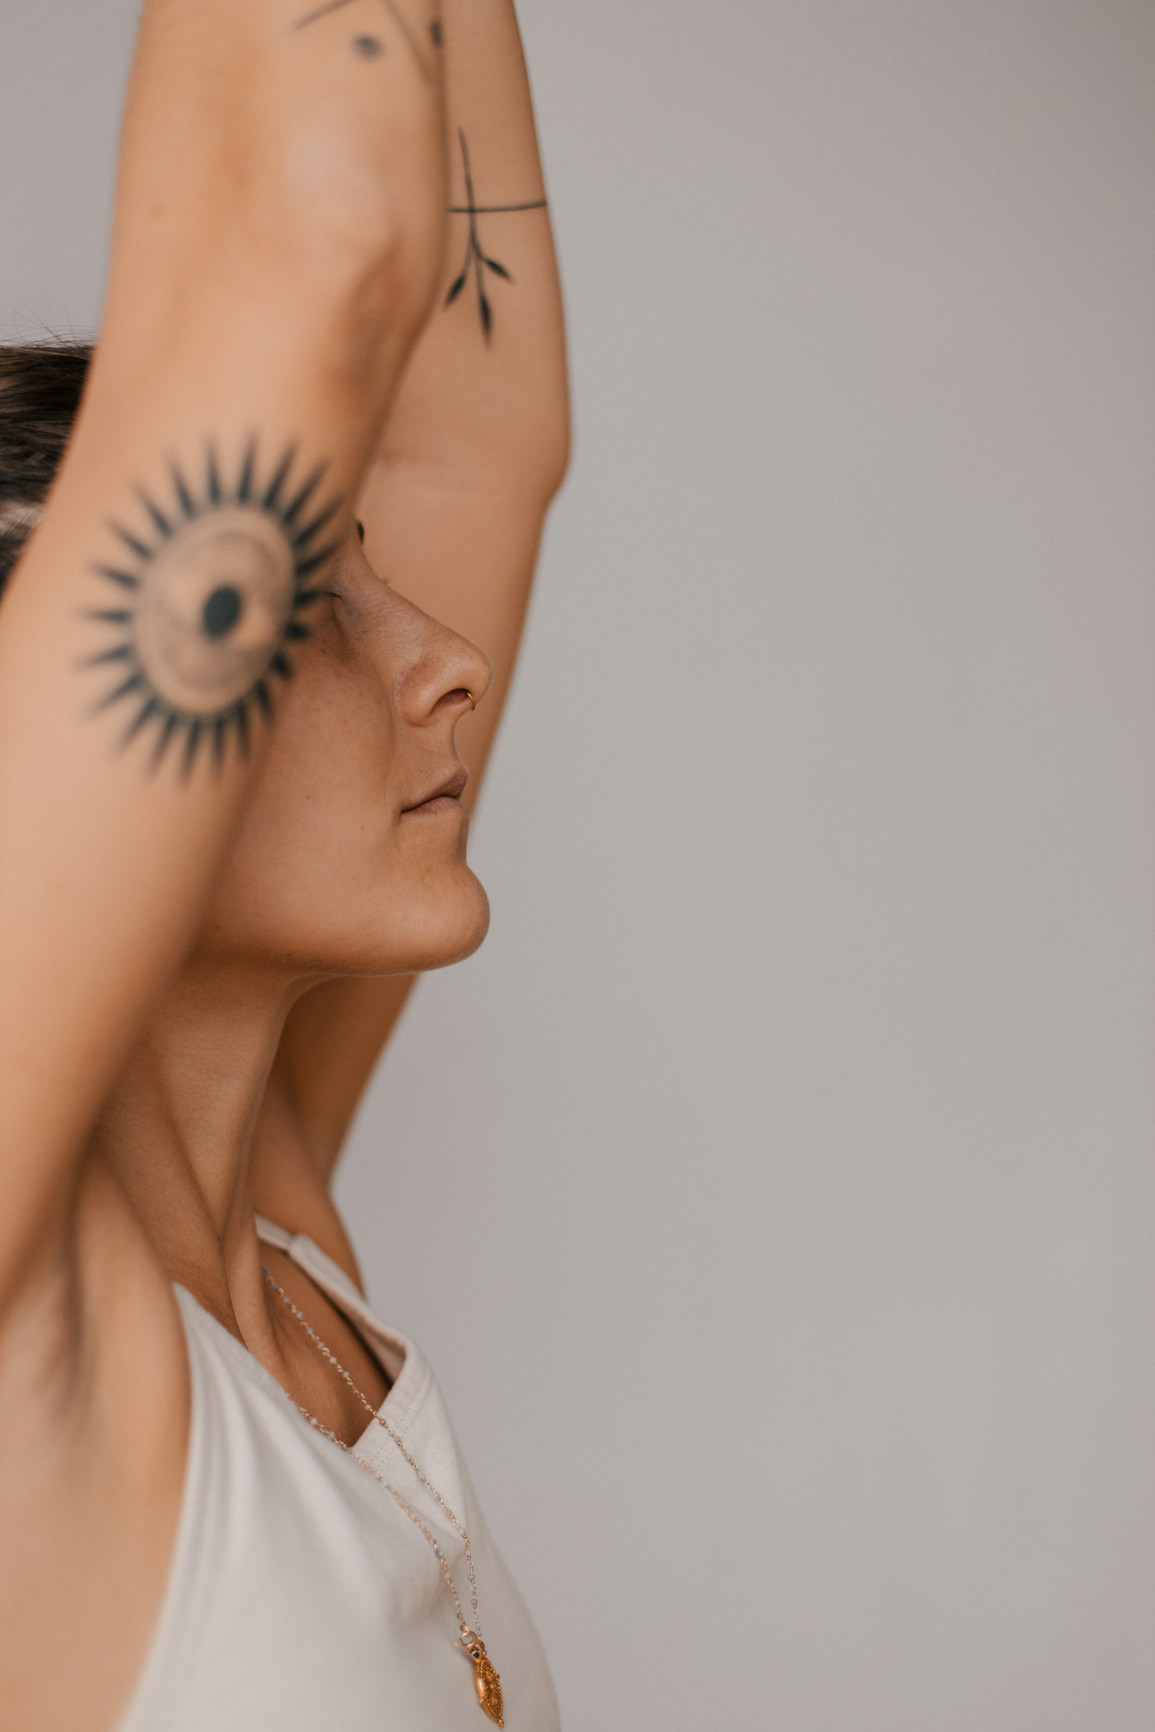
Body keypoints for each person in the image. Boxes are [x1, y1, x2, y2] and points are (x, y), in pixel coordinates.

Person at [0, 0, 568, 1727]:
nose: (447, 663)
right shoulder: (39, 1339)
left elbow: (477, 444)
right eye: (305, 607)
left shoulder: (279, 1243)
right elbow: (306, 252)